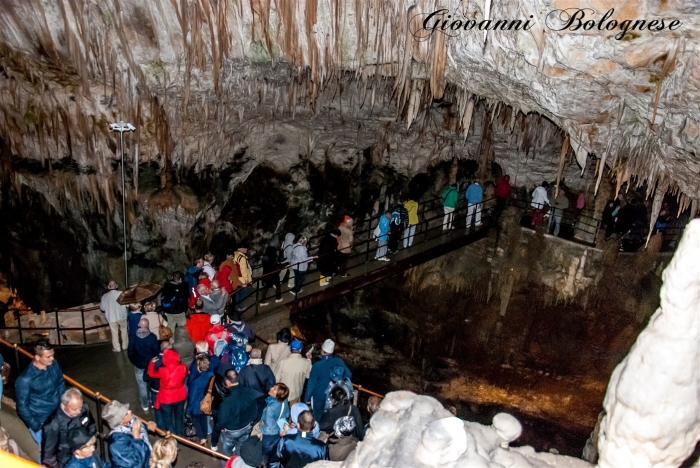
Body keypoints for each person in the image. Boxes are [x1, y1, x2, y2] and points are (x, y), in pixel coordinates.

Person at [15, 339, 66, 459]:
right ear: (37, 357)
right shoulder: (25, 379)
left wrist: (62, 403)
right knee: (46, 454)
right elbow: (22, 407)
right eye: (48, 357)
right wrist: (37, 426)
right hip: (42, 421)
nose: (52, 359)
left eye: (52, 355)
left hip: (58, 415)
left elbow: (60, 382)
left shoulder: (53, 364)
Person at [42, 387, 97, 468]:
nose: (79, 412)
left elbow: (92, 427)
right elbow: (49, 454)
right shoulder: (53, 424)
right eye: (74, 409)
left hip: (85, 454)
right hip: (65, 461)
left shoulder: (84, 408)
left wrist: (91, 445)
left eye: (80, 408)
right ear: (64, 405)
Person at [304, 339, 351, 421]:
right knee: (330, 414)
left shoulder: (317, 366)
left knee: (318, 415)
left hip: (319, 396)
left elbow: (311, 384)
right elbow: (348, 375)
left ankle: (318, 429)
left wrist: (307, 398)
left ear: (322, 350)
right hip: (333, 395)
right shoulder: (339, 361)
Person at [215, 370, 258, 459]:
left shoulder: (228, 400)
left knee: (226, 453)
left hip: (232, 431)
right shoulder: (249, 392)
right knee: (241, 450)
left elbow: (223, 419)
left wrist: (218, 427)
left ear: (227, 381)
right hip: (246, 427)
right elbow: (255, 411)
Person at [101, 400, 155, 468]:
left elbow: (136, 427)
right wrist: (137, 438)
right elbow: (136, 465)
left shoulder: (130, 422)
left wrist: (146, 426)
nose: (130, 411)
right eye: (126, 413)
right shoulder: (117, 442)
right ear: (120, 421)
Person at [147, 349, 188, 436]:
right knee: (179, 418)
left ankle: (173, 440)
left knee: (168, 420)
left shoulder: (162, 370)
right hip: (180, 396)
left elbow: (151, 374)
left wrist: (151, 363)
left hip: (166, 398)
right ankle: (180, 437)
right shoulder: (183, 367)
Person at [127, 318, 161, 412]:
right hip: (150, 365)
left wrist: (134, 361)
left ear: (138, 324)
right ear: (148, 325)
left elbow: (130, 352)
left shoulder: (133, 337)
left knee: (142, 386)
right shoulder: (152, 337)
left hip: (138, 365)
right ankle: (152, 400)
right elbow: (156, 352)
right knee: (152, 383)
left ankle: (145, 404)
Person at [239, 349, 276, 419]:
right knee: (259, 413)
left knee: (249, 414)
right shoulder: (266, 368)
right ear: (260, 356)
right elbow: (271, 383)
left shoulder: (244, 369)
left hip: (248, 397)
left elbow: (241, 385)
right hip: (261, 397)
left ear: (249, 356)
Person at [186, 353, 214, 446]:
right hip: (207, 402)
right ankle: (205, 436)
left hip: (197, 405)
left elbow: (192, 397)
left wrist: (188, 410)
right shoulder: (211, 375)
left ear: (198, 367)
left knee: (196, 421)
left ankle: (202, 439)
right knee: (203, 420)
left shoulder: (195, 381)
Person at [260, 383, 290, 466]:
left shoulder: (270, 408)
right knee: (275, 451)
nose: (271, 388)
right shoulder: (284, 399)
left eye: (274, 389)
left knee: (266, 454)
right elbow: (287, 414)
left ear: (277, 395)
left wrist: (261, 426)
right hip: (280, 428)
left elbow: (267, 429)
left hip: (270, 435)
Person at [275, 340, 311, 405]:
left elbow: (276, 379)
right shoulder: (306, 362)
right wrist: (309, 360)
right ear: (300, 350)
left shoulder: (283, 362)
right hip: (296, 395)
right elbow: (308, 375)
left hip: (283, 395)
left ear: (290, 349)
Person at [100, 280, 128, 352]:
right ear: (116, 286)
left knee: (114, 332)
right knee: (124, 330)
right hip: (122, 316)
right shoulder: (122, 293)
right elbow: (127, 304)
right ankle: (125, 346)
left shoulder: (104, 296)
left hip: (111, 317)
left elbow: (102, 308)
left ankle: (117, 348)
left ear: (108, 287)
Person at [232, 246, 253, 313]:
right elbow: (243, 270)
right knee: (242, 293)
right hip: (242, 279)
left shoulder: (235, 255)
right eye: (245, 248)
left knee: (237, 293)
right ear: (240, 249)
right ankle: (240, 306)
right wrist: (246, 280)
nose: (246, 249)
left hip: (236, 278)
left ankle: (236, 306)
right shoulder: (242, 258)